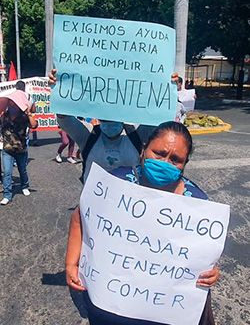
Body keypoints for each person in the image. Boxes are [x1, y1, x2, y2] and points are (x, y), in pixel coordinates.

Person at [65, 121, 219, 325]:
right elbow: (79, 218)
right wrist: (71, 263)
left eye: (176, 159)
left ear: (185, 162)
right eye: (159, 153)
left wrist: (211, 273)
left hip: (162, 313)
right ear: (144, 149)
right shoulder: (115, 182)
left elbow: (203, 257)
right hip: (111, 308)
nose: (165, 162)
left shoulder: (197, 203)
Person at [49, 69, 153, 183]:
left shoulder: (135, 134)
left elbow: (158, 117)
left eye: (115, 117)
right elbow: (64, 119)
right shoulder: (88, 135)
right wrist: (60, 90)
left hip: (130, 200)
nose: (110, 121)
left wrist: (172, 89)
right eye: (105, 118)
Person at [0, 80, 38, 205]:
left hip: (21, 149)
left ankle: (24, 186)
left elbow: (34, 125)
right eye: (10, 103)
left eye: (14, 103)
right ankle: (7, 194)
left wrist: (28, 113)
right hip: (6, 149)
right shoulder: (4, 115)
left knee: (22, 170)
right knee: (7, 172)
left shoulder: (24, 116)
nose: (12, 105)